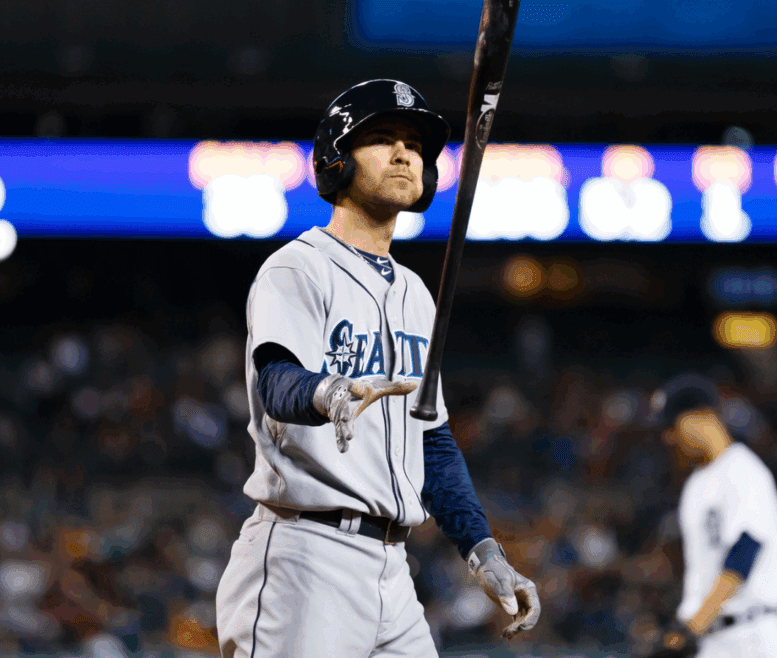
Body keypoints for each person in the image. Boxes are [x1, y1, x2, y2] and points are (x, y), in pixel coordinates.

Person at [215, 79, 540, 658]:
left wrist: (484, 550)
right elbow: (277, 384)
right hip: (305, 557)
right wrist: (331, 392)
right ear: (336, 160)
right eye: (382, 139)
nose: (403, 154)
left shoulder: (418, 294)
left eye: (414, 145)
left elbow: (433, 445)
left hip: (394, 570)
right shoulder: (297, 268)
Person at [645, 374, 777, 658]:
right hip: (712, 641)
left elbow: (744, 552)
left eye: (671, 426)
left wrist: (691, 628)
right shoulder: (695, 485)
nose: (668, 438)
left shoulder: (744, 471)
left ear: (700, 416)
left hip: (753, 636)